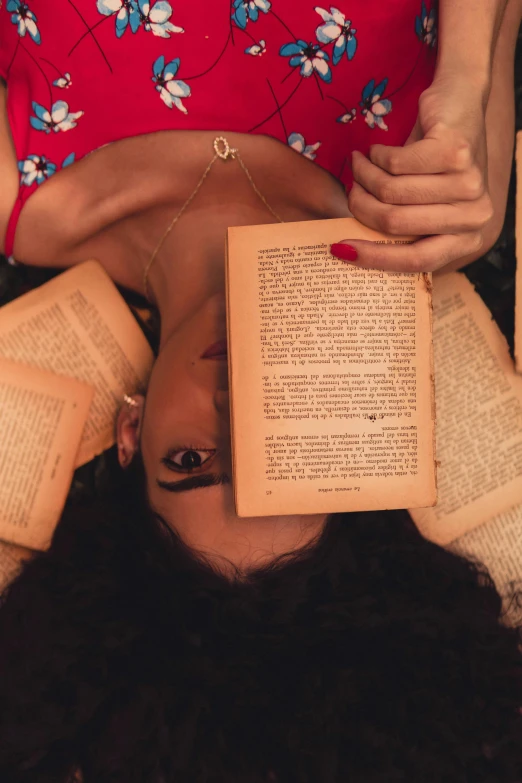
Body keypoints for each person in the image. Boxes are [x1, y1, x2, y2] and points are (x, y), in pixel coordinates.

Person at [0, 1, 522, 780]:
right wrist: (468, 76)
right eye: (275, 455)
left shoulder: (23, 198)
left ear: (130, 432)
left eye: (191, 459)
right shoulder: (435, 213)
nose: (232, 403)